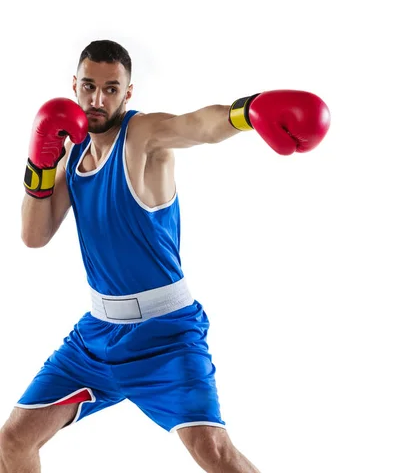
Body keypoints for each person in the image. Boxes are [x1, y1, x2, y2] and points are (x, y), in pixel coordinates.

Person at [0, 40, 330, 472]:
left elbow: (198, 125)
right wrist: (40, 166)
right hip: (96, 337)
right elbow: (33, 235)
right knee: (13, 440)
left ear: (128, 93)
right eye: (89, 87)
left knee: (213, 450)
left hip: (165, 335)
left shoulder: (143, 137)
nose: (98, 100)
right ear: (74, 87)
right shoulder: (70, 149)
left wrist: (248, 112)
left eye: (112, 89)